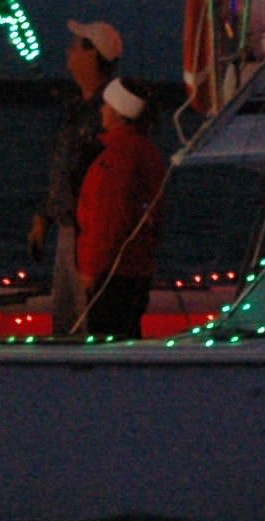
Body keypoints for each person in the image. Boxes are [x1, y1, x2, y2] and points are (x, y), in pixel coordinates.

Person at [33, 19, 121, 335]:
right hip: (68, 228)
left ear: (92, 55)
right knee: (66, 319)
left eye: (76, 46)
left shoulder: (111, 112)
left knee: (86, 320)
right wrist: (45, 215)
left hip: (91, 234)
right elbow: (62, 166)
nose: (69, 51)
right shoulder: (75, 108)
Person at [74, 76, 167, 338]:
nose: (102, 110)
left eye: (106, 105)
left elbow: (108, 221)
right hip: (135, 268)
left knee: (108, 336)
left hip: (113, 274)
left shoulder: (118, 158)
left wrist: (91, 270)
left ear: (118, 111)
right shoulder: (145, 151)